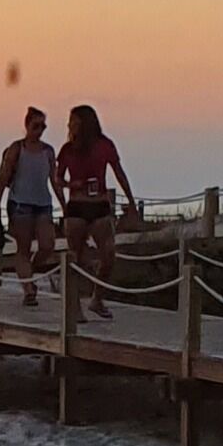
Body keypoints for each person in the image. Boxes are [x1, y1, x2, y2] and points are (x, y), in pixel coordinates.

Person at [53, 105, 135, 320]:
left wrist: (131, 200)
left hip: (99, 205)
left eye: (73, 121)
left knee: (109, 255)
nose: (69, 125)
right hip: (77, 207)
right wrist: (72, 185)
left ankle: (97, 298)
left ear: (84, 122)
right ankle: (75, 306)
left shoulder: (104, 145)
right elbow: (58, 179)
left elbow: (118, 171)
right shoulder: (67, 149)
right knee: (75, 258)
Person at [0, 106, 59, 307]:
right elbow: (3, 178)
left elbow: (53, 180)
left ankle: (29, 274)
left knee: (47, 245)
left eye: (43, 126)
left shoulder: (48, 151)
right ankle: (29, 291)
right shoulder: (16, 149)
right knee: (23, 248)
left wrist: (64, 203)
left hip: (43, 204)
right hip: (20, 205)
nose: (40, 130)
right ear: (27, 126)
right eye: (36, 126)